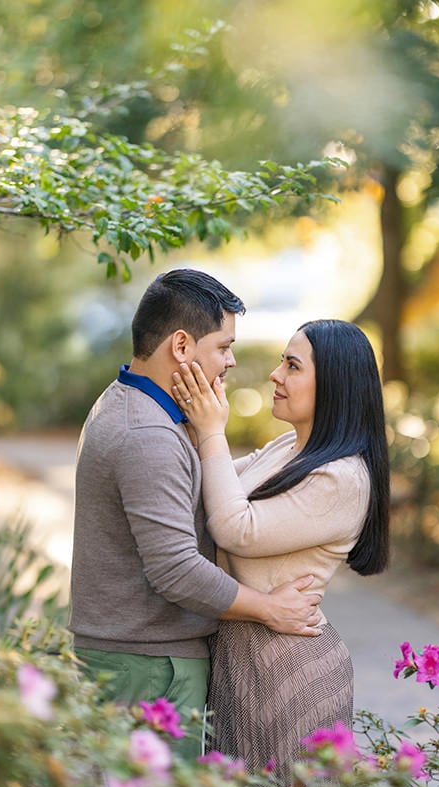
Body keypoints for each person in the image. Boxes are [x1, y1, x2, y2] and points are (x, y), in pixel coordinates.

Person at [68, 268, 323, 761]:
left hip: (138, 655)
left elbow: (209, 482)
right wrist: (269, 608)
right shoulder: (148, 434)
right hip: (148, 664)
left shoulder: (137, 406)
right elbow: (175, 569)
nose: (230, 361)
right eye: (224, 347)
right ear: (182, 347)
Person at [172, 318, 389, 787]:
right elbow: (206, 489)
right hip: (242, 656)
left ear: (332, 384)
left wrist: (211, 429)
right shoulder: (289, 449)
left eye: (292, 366)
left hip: (292, 669)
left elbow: (233, 525)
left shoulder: (342, 478)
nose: (275, 375)